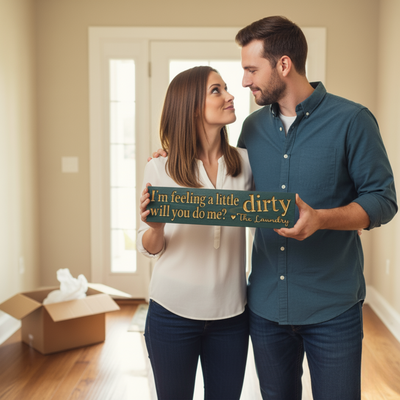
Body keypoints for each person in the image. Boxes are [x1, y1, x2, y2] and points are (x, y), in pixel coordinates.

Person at [233, 16, 398, 400]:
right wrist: (174, 161)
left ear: (284, 65)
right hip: (266, 308)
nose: (245, 80)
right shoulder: (252, 128)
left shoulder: (352, 121)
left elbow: (383, 199)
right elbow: (228, 188)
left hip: (333, 308)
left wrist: (322, 219)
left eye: (251, 69)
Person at [137, 66, 253, 400]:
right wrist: (156, 228)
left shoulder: (246, 164)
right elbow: (148, 245)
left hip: (232, 316)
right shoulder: (159, 167)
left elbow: (277, 206)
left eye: (226, 88)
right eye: (217, 90)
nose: (230, 96)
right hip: (171, 315)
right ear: (190, 107)